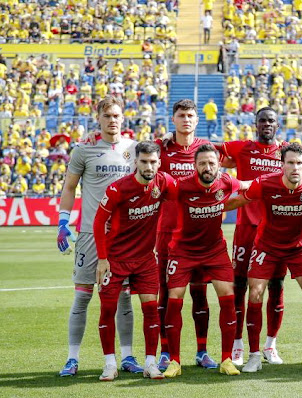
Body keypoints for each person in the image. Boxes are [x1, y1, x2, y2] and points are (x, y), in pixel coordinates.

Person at [226, 143, 302, 373]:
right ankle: (254, 356)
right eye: (290, 163)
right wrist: (209, 207)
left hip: (298, 246)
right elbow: (238, 200)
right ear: (282, 165)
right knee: (255, 292)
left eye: (299, 163)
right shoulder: (265, 182)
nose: (295, 168)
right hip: (266, 246)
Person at [57, 96, 140, 377]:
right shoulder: (83, 150)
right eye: (107, 116)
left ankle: (127, 356)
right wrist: (63, 222)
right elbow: (69, 187)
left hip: (124, 237)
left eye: (117, 115)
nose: (113, 120)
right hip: (90, 235)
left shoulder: (133, 149)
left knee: (124, 297)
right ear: (99, 119)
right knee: (82, 296)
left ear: (123, 118)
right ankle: (72, 358)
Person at [162, 144, 251, 378]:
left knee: (228, 297)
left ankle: (226, 359)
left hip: (215, 251)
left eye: (211, 163)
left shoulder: (226, 182)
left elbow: (250, 186)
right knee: (174, 299)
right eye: (202, 163)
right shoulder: (180, 187)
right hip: (183, 251)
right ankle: (174, 360)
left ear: (218, 165)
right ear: (195, 166)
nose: (207, 167)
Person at [93, 142, 176, 381]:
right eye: (144, 161)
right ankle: (110, 364)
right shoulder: (118, 189)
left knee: (151, 310)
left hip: (145, 260)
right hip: (115, 260)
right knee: (108, 310)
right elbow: (99, 223)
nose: (148, 166)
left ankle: (151, 363)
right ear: (135, 162)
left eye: (153, 162)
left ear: (159, 163)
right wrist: (102, 259)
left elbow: (185, 194)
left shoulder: (164, 182)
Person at [154, 100, 225, 371]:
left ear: (197, 121)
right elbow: (130, 153)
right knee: (166, 295)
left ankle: (202, 350)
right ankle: (165, 351)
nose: (186, 119)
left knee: (199, 293)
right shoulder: (161, 148)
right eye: (181, 115)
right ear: (173, 119)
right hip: (166, 232)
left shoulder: (206, 150)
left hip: (200, 237)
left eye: (190, 116)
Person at [216, 107, 289, 366]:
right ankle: (237, 344)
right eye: (262, 121)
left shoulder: (288, 152)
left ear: (278, 125)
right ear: (255, 124)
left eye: (271, 120)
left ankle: (270, 345)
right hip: (247, 228)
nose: (266, 124)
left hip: (276, 229)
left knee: (276, 286)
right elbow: (205, 148)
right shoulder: (242, 148)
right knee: (240, 285)